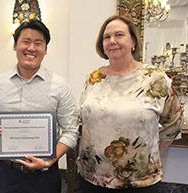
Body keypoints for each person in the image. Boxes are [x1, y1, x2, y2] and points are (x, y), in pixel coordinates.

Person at [77, 15, 183, 193]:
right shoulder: (93, 78)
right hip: (92, 178)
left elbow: (174, 123)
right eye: (107, 37)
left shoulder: (155, 77)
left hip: (138, 183)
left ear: (133, 40)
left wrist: (148, 155)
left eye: (119, 35)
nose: (112, 41)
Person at [0, 19, 79, 193]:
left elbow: (71, 132)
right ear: (15, 45)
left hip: (45, 175)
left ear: (45, 50)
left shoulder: (60, 86)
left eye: (38, 43)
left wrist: (49, 161)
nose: (31, 48)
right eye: (25, 41)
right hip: (8, 173)